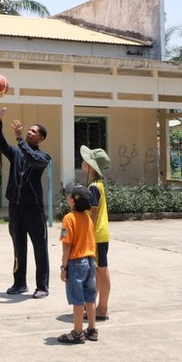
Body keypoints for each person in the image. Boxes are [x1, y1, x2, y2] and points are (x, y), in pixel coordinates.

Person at [0, 102, 51, 299]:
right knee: (18, 245)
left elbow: (32, 158)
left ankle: (42, 286)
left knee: (39, 247)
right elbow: (0, 143)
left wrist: (19, 139)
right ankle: (19, 283)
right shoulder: (17, 152)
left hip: (33, 208)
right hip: (15, 207)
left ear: (41, 137)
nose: (29, 132)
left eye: (34, 131)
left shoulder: (43, 157)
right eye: (29, 130)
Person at [58, 182, 98, 344]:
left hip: (76, 263)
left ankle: (77, 332)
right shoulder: (87, 218)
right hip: (90, 261)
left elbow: (67, 244)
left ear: (72, 200)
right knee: (90, 297)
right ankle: (92, 329)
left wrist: (63, 266)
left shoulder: (69, 218)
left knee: (77, 299)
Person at [80, 145, 112, 321]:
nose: (83, 162)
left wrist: (86, 234)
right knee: (99, 270)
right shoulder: (97, 184)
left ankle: (103, 308)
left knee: (101, 270)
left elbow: (93, 213)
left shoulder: (93, 187)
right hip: (101, 234)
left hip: (97, 235)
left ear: (91, 166)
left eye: (87, 160)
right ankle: (98, 307)